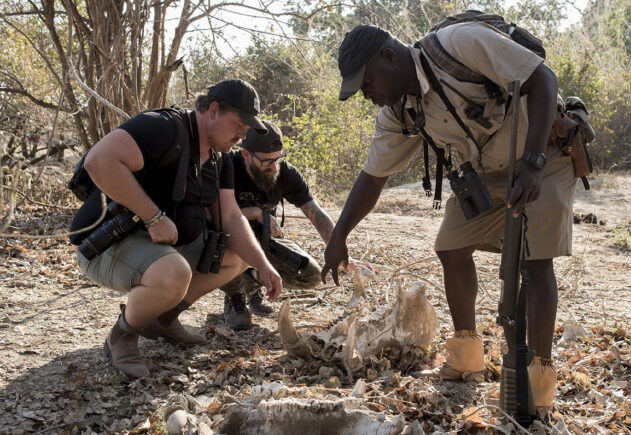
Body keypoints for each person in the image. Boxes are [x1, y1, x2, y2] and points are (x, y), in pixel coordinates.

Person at [323, 24, 584, 416]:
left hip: (541, 156)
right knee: (450, 247)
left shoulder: (459, 45)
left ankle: (537, 384)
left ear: (389, 57)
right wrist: (338, 235)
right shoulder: (399, 111)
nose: (368, 95)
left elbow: (543, 79)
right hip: (484, 175)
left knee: (534, 263)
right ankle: (465, 358)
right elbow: (373, 177)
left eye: (367, 83)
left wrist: (533, 163)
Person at [69, 80, 283, 379]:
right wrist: (153, 217)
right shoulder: (163, 127)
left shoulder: (220, 157)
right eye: (238, 125)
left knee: (239, 253)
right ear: (213, 110)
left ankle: (163, 320)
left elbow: (231, 217)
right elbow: (99, 160)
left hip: (167, 249)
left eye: (247, 130)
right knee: (174, 272)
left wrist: (264, 266)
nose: (241, 135)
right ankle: (122, 336)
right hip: (105, 245)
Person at [218, 120, 374, 330]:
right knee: (220, 240)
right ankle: (234, 296)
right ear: (246, 154)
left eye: (277, 159)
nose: (274, 166)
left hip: (265, 242)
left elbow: (316, 214)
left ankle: (252, 282)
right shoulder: (225, 165)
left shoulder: (286, 173)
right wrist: (256, 213)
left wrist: (341, 250)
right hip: (229, 239)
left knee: (309, 275)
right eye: (266, 161)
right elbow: (214, 217)